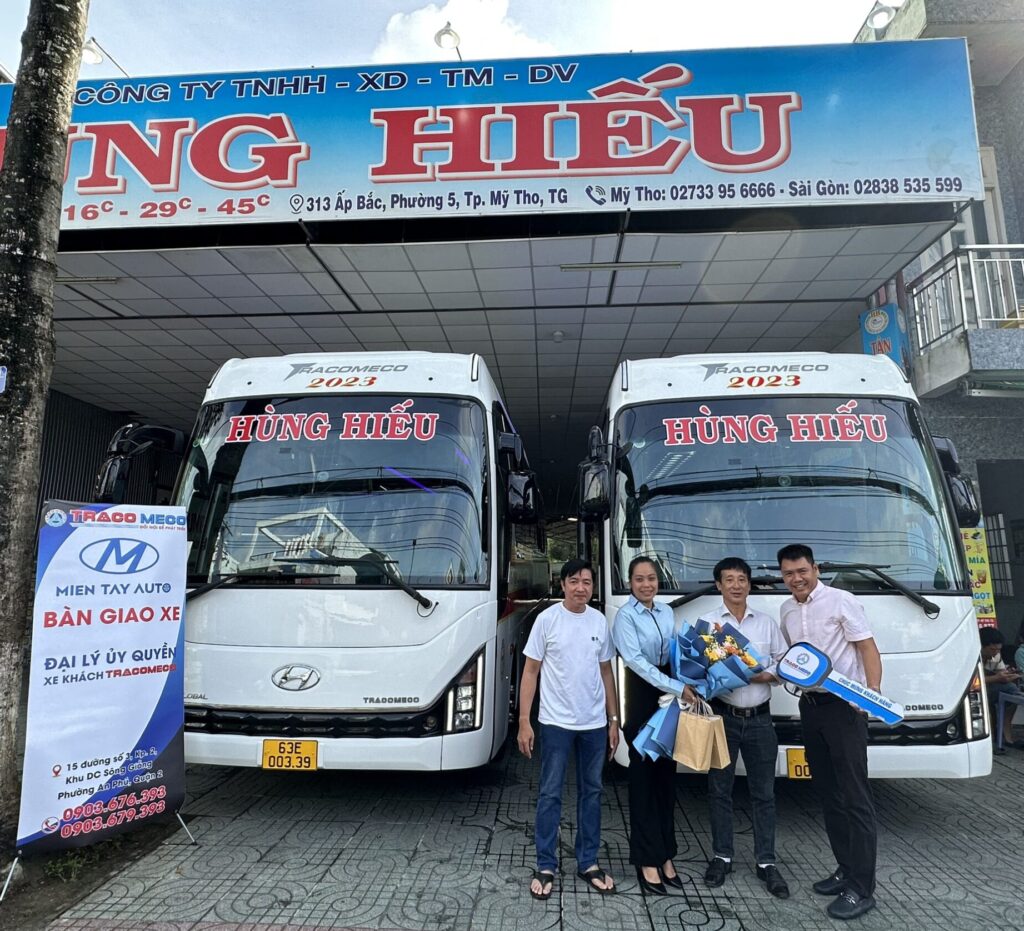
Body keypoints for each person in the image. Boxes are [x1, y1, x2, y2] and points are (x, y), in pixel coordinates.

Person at [777, 543, 882, 922]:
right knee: (829, 794)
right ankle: (845, 869)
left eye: (802, 571)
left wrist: (871, 694)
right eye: (789, 574)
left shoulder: (841, 601)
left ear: (815, 569)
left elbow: (867, 648)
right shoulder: (787, 610)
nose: (796, 579)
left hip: (845, 708)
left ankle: (862, 888)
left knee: (856, 797)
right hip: (811, 707)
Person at [518, 558, 619, 900]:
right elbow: (530, 671)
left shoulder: (599, 621)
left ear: (593, 587)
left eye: (587, 582)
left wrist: (613, 720)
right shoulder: (547, 620)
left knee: (592, 792)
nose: (580, 588)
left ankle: (588, 862)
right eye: (573, 581)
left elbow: (606, 672)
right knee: (550, 793)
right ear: (561, 585)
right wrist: (524, 721)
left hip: (594, 724)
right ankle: (546, 865)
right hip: (555, 723)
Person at [699, 557, 790, 899]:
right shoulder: (709, 625)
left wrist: (761, 675)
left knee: (764, 793)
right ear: (719, 585)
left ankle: (766, 861)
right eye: (729, 579)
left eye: (741, 579)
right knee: (719, 790)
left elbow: (784, 664)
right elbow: (699, 669)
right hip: (723, 717)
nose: (736, 585)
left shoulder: (766, 624)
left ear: (749, 585)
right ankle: (722, 856)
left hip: (760, 720)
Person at [612, 556, 698, 896]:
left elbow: (675, 652)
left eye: (651, 578)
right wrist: (677, 687)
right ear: (630, 583)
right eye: (639, 579)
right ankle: (646, 859)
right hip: (642, 695)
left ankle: (666, 855)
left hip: (670, 696)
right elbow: (636, 662)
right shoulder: (625, 616)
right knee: (644, 781)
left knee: (666, 779)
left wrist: (694, 675)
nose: (646, 584)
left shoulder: (665, 612)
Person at [981, 626, 1023, 752]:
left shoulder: (997, 656)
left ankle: (1006, 732)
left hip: (991, 687)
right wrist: (996, 678)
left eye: (998, 649)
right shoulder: (971, 656)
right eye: (992, 649)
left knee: (1011, 689)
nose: (995, 652)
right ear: (981, 646)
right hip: (975, 690)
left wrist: (1008, 675)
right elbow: (969, 681)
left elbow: (1001, 673)